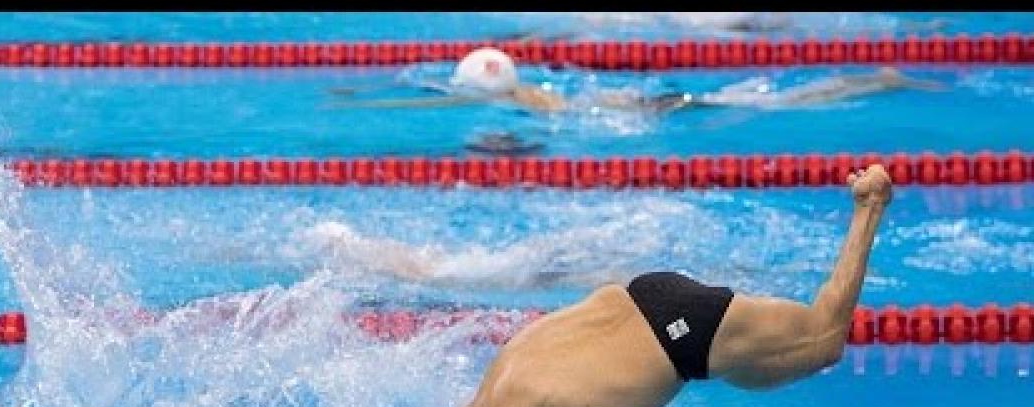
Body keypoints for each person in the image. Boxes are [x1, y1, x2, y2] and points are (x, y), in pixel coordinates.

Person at [413, 164, 893, 407]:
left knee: (823, 341)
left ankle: (869, 203)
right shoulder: (490, 388)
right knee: (758, 376)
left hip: (686, 332)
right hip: (650, 293)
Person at [329, 47, 946, 116]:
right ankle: (870, 80)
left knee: (779, 104)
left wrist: (363, 99)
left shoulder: (532, 101)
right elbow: (430, 97)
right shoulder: (520, 90)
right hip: (636, 103)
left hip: (648, 110)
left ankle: (871, 81)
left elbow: (436, 100)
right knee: (766, 100)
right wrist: (365, 96)